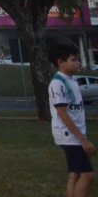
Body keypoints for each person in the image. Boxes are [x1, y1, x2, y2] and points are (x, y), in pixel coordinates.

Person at [49, 41, 95, 197]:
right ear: (61, 63)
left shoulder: (72, 80)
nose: (78, 63)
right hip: (68, 136)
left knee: (75, 174)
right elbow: (62, 113)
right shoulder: (57, 83)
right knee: (88, 175)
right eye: (74, 60)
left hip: (75, 135)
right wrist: (83, 140)